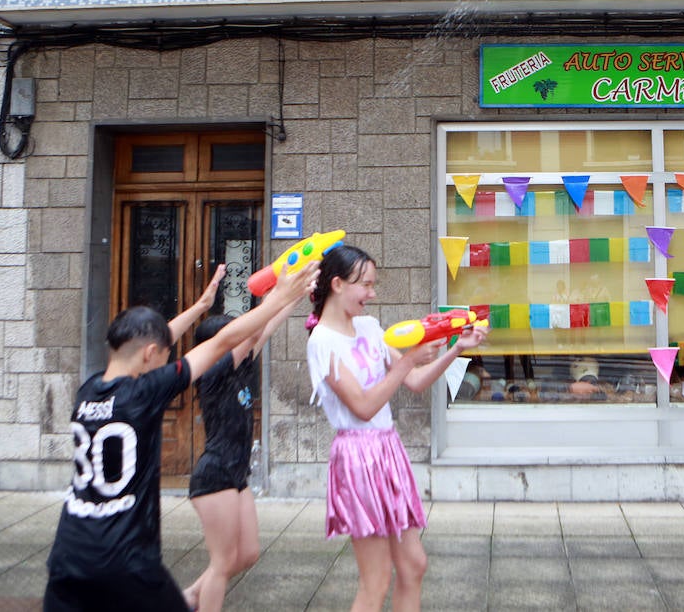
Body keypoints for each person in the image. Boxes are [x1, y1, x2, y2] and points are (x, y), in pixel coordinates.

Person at [43, 261, 318, 612]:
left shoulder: (88, 391)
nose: (167, 357)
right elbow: (221, 343)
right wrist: (279, 296)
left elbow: (153, 343)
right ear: (149, 355)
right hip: (125, 558)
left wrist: (202, 307)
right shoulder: (145, 392)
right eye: (163, 354)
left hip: (69, 553)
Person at [306, 244, 487, 612]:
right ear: (338, 284)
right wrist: (406, 363)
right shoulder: (322, 342)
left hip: (387, 451)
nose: (372, 294)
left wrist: (455, 349)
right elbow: (363, 406)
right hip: (357, 458)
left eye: (374, 284)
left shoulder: (371, 327)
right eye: (366, 285)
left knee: (413, 565)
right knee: (376, 581)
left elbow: (417, 380)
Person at [180, 298, 285, 612]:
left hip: (236, 475)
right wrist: (282, 291)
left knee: (248, 553)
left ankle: (186, 598)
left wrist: (294, 294)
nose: (242, 341)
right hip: (214, 475)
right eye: (232, 337)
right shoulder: (212, 372)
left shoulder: (240, 368)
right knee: (223, 563)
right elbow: (252, 334)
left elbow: (264, 329)